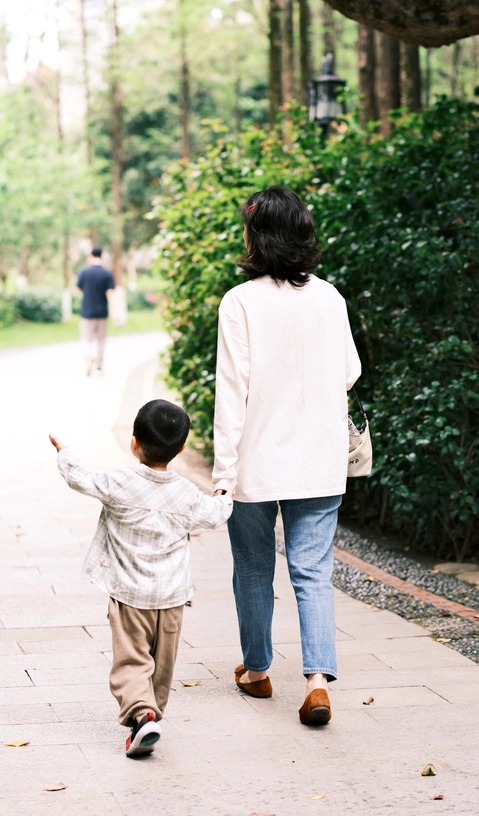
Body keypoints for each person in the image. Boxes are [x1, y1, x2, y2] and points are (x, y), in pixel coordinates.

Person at [212, 186, 361, 726]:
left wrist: (223, 473)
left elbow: (232, 391)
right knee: (312, 572)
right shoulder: (331, 297)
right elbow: (349, 372)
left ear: (256, 235)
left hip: (255, 461)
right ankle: (317, 683)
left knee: (253, 568)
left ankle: (257, 670)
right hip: (319, 459)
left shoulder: (240, 302)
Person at [49, 399, 233, 757]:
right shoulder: (185, 493)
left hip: (130, 596)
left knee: (132, 660)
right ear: (181, 448)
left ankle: (142, 716)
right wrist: (224, 495)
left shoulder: (118, 482)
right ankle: (149, 716)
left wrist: (64, 452)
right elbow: (215, 515)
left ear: (134, 443)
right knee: (162, 665)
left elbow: (79, 478)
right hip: (172, 598)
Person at [76, 247, 115, 376]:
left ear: (90, 256)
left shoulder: (84, 272)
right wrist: (114, 311)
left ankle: (88, 358)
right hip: (102, 312)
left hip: (87, 312)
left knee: (86, 339)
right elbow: (110, 293)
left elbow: (77, 290)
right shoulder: (107, 273)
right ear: (101, 257)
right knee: (101, 341)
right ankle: (99, 368)